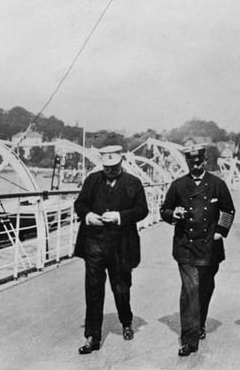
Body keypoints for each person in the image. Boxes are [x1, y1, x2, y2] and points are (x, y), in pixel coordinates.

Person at [160, 144, 235, 357]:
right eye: (191, 162)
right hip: (185, 244)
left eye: (198, 162)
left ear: (205, 161)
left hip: (210, 246)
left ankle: (200, 322)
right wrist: (173, 214)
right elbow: (164, 210)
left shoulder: (217, 184)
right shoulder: (178, 185)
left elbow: (228, 210)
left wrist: (220, 231)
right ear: (187, 163)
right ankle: (189, 340)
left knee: (205, 287)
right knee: (190, 289)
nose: (195, 165)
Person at [73, 145, 149, 354]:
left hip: (121, 247)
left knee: (121, 288)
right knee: (94, 291)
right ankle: (92, 336)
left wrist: (119, 216)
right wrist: (87, 215)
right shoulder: (92, 180)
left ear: (121, 162)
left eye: (113, 167)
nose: (109, 171)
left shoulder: (133, 183)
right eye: (106, 167)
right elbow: (80, 204)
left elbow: (142, 210)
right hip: (94, 245)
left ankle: (126, 322)